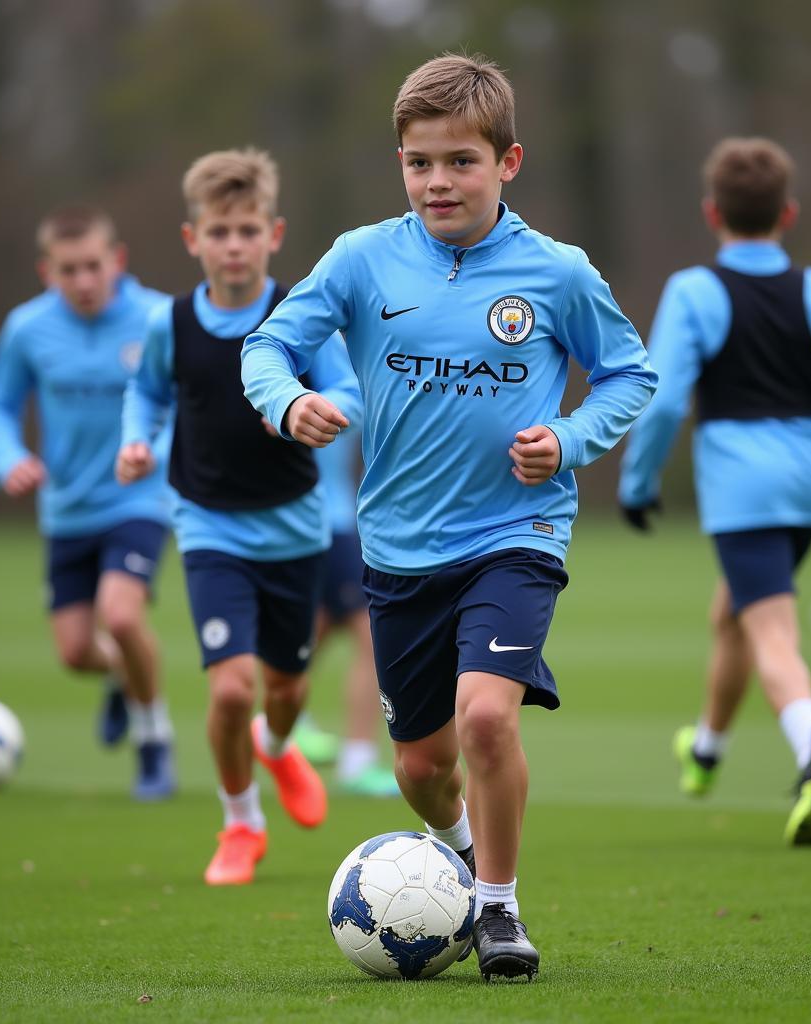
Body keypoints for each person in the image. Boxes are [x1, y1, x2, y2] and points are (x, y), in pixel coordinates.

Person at [242, 54, 656, 980]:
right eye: (420, 163)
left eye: (461, 161)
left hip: (517, 535)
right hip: (397, 548)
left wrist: (574, 438)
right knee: (421, 767)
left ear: (508, 163)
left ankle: (500, 911)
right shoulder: (361, 259)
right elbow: (270, 344)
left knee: (485, 721)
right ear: (400, 162)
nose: (439, 181)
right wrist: (286, 402)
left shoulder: (557, 273)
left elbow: (631, 374)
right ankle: (464, 859)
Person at [617, 138, 811, 847]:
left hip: (740, 484)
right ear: (787, 213)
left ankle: (810, 738)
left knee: (770, 629)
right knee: (732, 612)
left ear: (711, 213)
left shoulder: (694, 292)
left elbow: (663, 403)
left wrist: (638, 483)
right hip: (807, 482)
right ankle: (706, 749)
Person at [117, 148, 362, 887]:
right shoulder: (174, 324)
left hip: (294, 527)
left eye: (247, 230)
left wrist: (323, 410)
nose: (233, 246)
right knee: (229, 686)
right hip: (208, 525)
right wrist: (137, 441)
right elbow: (149, 395)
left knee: (285, 690)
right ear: (194, 240)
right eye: (219, 232)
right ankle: (240, 822)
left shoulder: (302, 320)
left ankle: (279, 746)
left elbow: (349, 391)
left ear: (274, 234)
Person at [0, 206, 175, 800]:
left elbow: (188, 403)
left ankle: (153, 741)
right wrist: (10, 457)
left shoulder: (158, 319)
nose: (84, 281)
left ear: (117, 260)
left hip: (139, 499)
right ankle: (122, 674)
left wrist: (154, 451)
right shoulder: (26, 329)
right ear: (48, 272)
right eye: (70, 270)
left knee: (121, 614)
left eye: (93, 266)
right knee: (75, 651)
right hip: (65, 509)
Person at [292, 425, 401, 797]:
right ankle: (356, 760)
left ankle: (284, 719)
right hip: (326, 519)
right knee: (371, 636)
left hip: (327, 516)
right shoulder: (321, 371)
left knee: (326, 621)